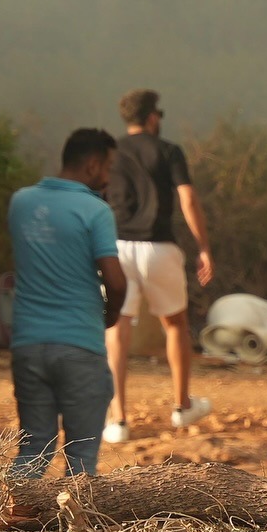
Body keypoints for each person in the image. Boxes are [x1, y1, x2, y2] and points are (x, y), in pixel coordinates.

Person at [7, 128, 127, 477]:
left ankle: (6, 520)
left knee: (33, 447)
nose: (108, 176)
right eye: (107, 167)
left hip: (27, 344)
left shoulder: (21, 202)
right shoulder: (96, 211)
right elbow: (116, 281)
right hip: (79, 346)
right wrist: (110, 316)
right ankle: (73, 530)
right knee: (82, 456)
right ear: (92, 165)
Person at [102, 89, 214, 442]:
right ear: (152, 117)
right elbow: (188, 198)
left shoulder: (109, 154)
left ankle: (118, 421)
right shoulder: (168, 151)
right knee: (175, 324)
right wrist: (204, 247)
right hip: (159, 247)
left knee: (117, 328)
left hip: (116, 248)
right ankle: (182, 408)